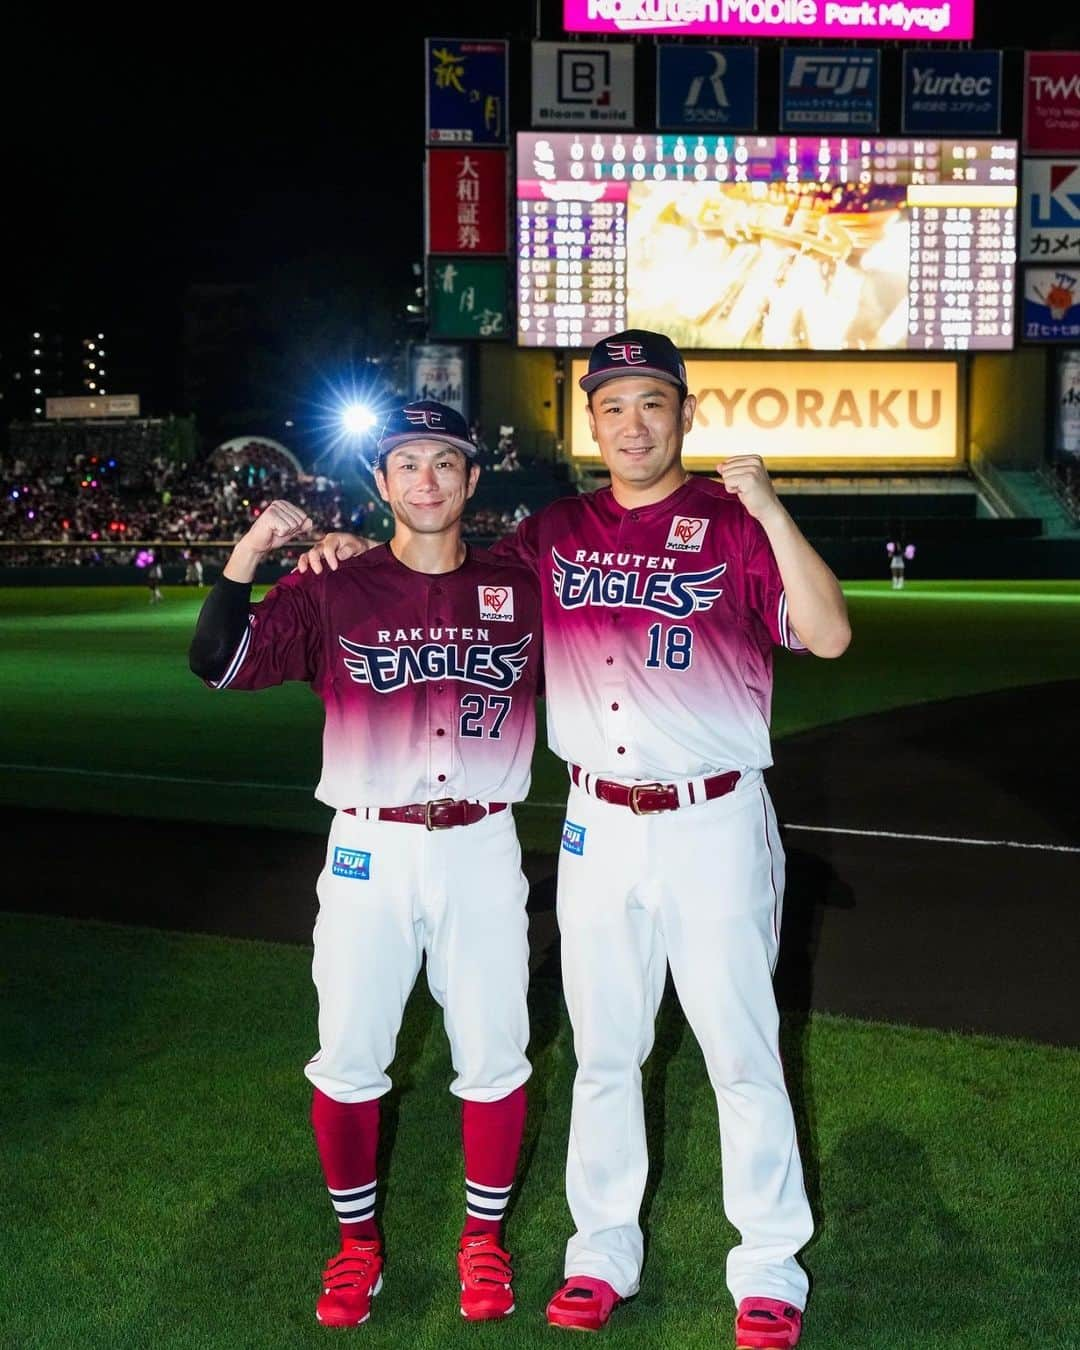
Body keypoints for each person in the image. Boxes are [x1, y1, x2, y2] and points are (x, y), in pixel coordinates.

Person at [297, 331, 851, 1348]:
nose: (631, 423)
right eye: (611, 405)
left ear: (684, 411)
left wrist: (772, 509)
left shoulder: (732, 523)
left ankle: (768, 1263)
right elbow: (440, 568)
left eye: (650, 402)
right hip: (597, 820)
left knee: (740, 1050)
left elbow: (828, 633)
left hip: (716, 814)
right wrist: (350, 553)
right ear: (587, 421)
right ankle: (600, 1251)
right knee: (603, 1051)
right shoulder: (552, 533)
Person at [188, 399, 543, 1329]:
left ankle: (483, 1243)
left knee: (495, 1058)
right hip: (368, 847)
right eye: (407, 465)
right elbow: (215, 660)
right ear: (381, 484)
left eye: (444, 463)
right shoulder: (330, 587)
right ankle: (357, 1250)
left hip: (480, 842)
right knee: (347, 1058)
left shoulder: (522, 584)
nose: (426, 480)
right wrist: (255, 548)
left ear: (472, 480)